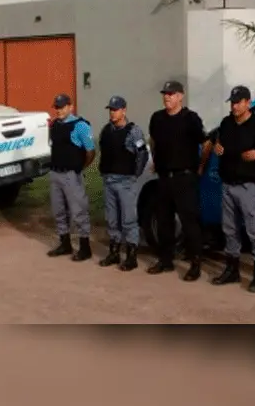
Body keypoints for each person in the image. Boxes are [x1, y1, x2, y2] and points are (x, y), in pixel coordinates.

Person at [202, 85, 255, 293]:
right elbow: (216, 140)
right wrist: (217, 147)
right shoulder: (227, 123)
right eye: (233, 102)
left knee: (254, 231)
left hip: (249, 186)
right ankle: (232, 269)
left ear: (248, 103)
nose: (234, 106)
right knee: (229, 229)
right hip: (228, 184)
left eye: (238, 102)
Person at [146, 80, 212, 281]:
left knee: (189, 222)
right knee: (164, 221)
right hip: (165, 178)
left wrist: (200, 166)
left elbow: (206, 142)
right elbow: (153, 140)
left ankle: (195, 263)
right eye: (165, 93)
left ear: (181, 96)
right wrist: (156, 159)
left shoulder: (190, 118)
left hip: (185, 177)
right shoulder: (157, 118)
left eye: (172, 94)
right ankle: (165, 260)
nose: (167, 97)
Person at [97, 95, 149, 271]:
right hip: (109, 180)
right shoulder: (106, 130)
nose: (113, 113)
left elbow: (142, 154)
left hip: (125, 180)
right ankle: (114, 253)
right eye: (111, 109)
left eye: (116, 109)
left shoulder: (133, 131)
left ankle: (131, 256)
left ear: (124, 110)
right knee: (112, 219)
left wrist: (135, 174)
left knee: (128, 219)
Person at [46, 93, 97, 261]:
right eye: (57, 107)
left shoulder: (80, 126)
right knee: (59, 211)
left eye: (61, 107)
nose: (58, 110)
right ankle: (65, 243)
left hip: (71, 175)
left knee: (78, 211)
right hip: (55, 174)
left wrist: (79, 167)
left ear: (70, 107)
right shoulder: (54, 125)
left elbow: (90, 151)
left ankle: (85, 247)